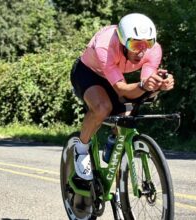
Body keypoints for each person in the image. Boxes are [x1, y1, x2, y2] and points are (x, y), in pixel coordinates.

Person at [70, 13, 175, 182]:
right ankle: (81, 150)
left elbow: (144, 84)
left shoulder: (153, 50)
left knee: (127, 116)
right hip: (88, 73)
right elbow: (122, 89)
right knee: (102, 107)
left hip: (114, 76)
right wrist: (143, 86)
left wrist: (158, 86)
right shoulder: (106, 45)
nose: (141, 50)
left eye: (147, 43)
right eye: (135, 44)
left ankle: (113, 141)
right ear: (122, 40)